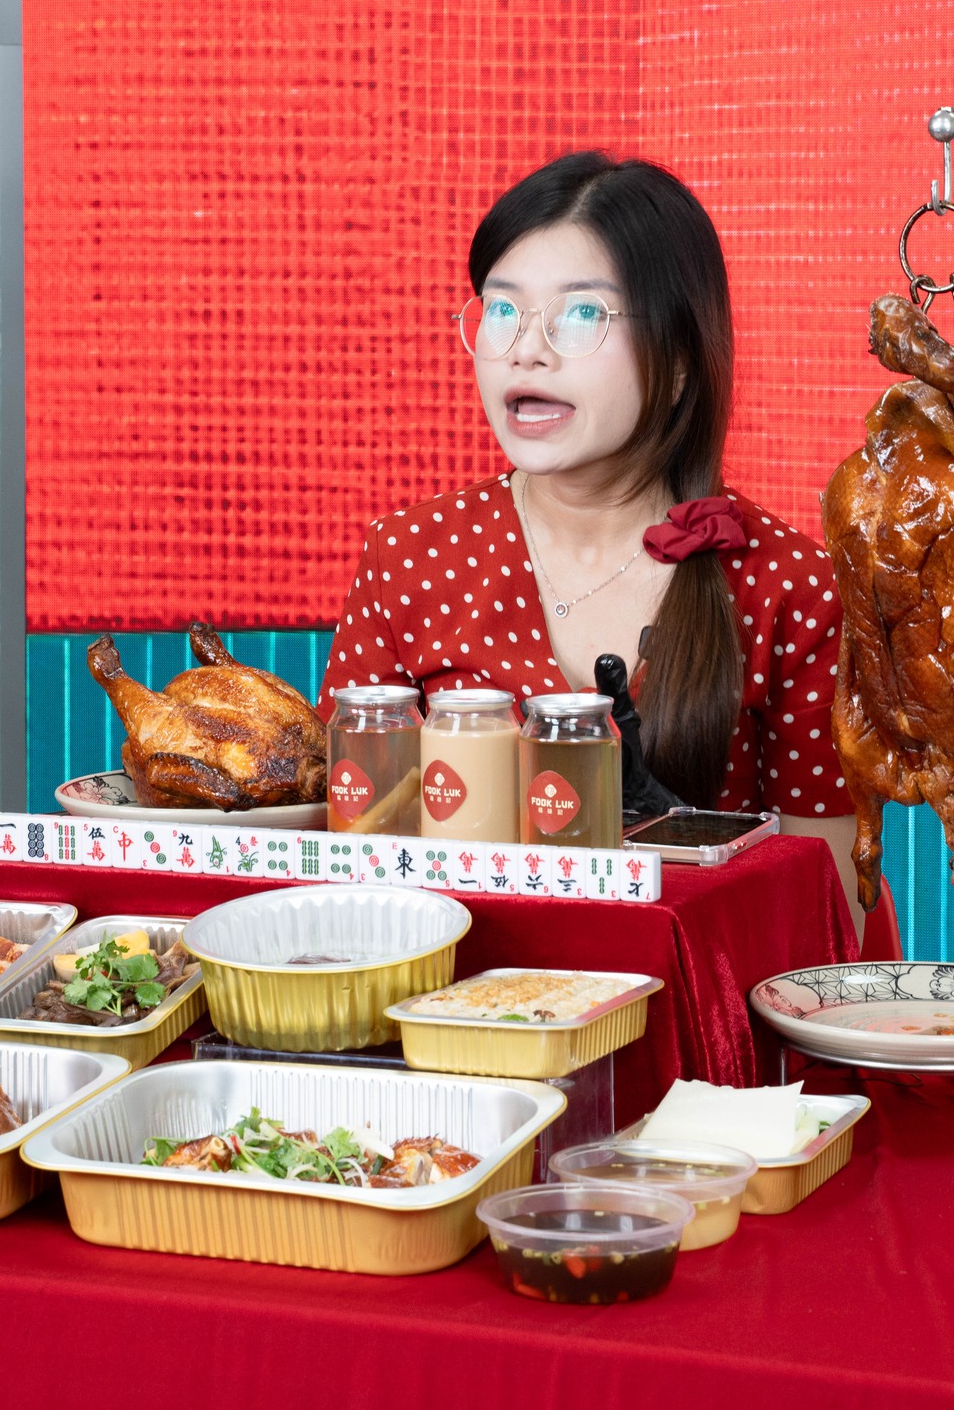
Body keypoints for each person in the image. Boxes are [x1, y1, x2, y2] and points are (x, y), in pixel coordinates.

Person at [318, 153, 863, 933]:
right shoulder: (408, 554)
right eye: (501, 309)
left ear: (679, 357)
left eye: (580, 314)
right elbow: (344, 845)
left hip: (701, 1005)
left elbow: (826, 908)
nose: (524, 349)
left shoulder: (787, 583)